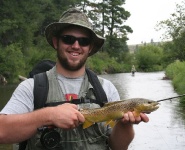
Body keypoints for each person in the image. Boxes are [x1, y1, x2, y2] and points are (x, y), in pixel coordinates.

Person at [0, 7, 149, 150]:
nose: (76, 45)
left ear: (90, 47)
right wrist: (48, 115)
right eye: (68, 39)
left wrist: (125, 125)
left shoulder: (106, 89)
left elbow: (119, 147)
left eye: (83, 41)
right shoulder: (31, 87)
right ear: (56, 42)